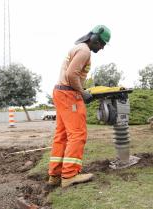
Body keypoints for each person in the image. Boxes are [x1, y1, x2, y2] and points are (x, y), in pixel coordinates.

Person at [48, 25, 111, 188]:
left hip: (60, 92)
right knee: (77, 134)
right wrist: (82, 93)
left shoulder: (78, 48)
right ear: (95, 39)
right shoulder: (85, 51)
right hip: (69, 95)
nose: (102, 47)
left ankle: (55, 175)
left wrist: (82, 90)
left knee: (61, 135)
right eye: (102, 44)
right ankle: (69, 175)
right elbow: (71, 75)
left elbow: (70, 75)